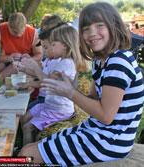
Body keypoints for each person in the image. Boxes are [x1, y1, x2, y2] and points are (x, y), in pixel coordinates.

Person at [18, 2, 144, 166]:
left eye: (100, 25)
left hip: (110, 141)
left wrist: (70, 92)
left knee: (27, 154)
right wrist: (73, 87)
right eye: (86, 29)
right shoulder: (101, 61)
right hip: (98, 131)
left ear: (114, 26)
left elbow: (106, 116)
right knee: (31, 147)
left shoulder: (118, 63)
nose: (92, 33)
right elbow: (92, 99)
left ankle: (7, 161)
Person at [20, 23, 88, 146]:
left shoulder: (67, 64)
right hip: (49, 105)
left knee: (27, 127)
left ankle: (27, 156)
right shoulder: (62, 62)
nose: (50, 49)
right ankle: (23, 145)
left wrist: (36, 68)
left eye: (53, 45)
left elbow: (47, 82)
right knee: (23, 118)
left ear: (65, 46)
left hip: (59, 110)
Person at [18, 15, 65, 110]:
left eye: (45, 47)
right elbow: (41, 73)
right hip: (43, 97)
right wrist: (24, 69)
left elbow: (46, 80)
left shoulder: (59, 61)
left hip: (49, 101)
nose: (43, 50)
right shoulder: (49, 58)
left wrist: (29, 83)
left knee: (24, 112)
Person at [0, 12, 43, 84]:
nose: (18, 35)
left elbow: (39, 55)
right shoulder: (0, 29)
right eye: (14, 32)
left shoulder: (33, 33)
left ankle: (10, 92)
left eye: (21, 32)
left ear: (25, 26)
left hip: (24, 62)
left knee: (3, 76)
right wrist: (8, 58)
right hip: (9, 59)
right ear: (8, 26)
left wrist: (27, 60)